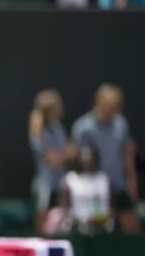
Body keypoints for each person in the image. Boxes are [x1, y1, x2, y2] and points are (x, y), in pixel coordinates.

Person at [71, 83, 140, 233]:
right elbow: (79, 161)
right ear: (99, 104)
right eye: (110, 107)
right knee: (98, 226)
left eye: (116, 107)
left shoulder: (121, 124)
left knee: (131, 223)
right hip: (95, 190)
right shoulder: (83, 127)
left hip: (119, 183)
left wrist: (132, 181)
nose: (114, 112)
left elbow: (127, 153)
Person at [28, 89, 76, 234]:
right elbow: (54, 160)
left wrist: (63, 154)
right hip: (45, 185)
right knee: (43, 222)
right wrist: (64, 154)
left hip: (61, 185)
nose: (62, 108)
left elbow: (72, 152)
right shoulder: (38, 133)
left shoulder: (58, 127)